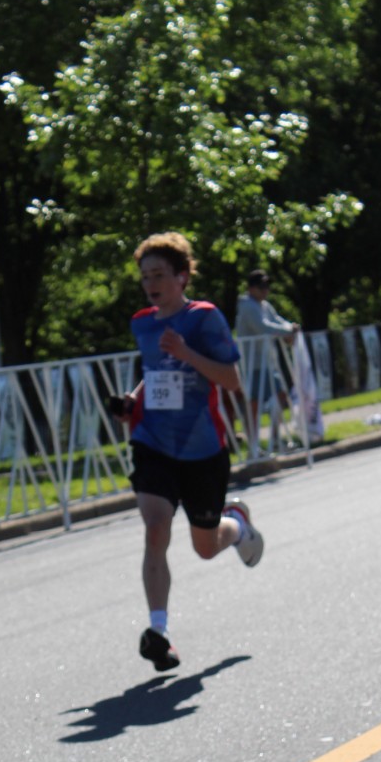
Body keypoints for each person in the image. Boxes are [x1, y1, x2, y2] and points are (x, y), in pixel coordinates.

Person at [111, 231, 263, 672]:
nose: (151, 284)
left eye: (159, 274)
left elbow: (231, 380)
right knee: (155, 529)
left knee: (206, 547)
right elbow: (155, 373)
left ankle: (237, 525)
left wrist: (186, 351)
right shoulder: (143, 323)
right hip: (153, 442)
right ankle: (158, 631)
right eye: (145, 277)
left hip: (202, 450)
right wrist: (132, 401)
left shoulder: (204, 319)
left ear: (182, 277)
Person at [234, 269, 299, 445]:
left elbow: (277, 320)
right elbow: (263, 327)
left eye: (267, 286)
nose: (265, 290)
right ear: (251, 288)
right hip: (252, 364)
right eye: (261, 286)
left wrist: (290, 327)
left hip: (268, 362)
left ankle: (275, 438)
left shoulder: (264, 305)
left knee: (281, 394)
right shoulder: (247, 306)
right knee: (253, 403)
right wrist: (287, 331)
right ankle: (253, 444)